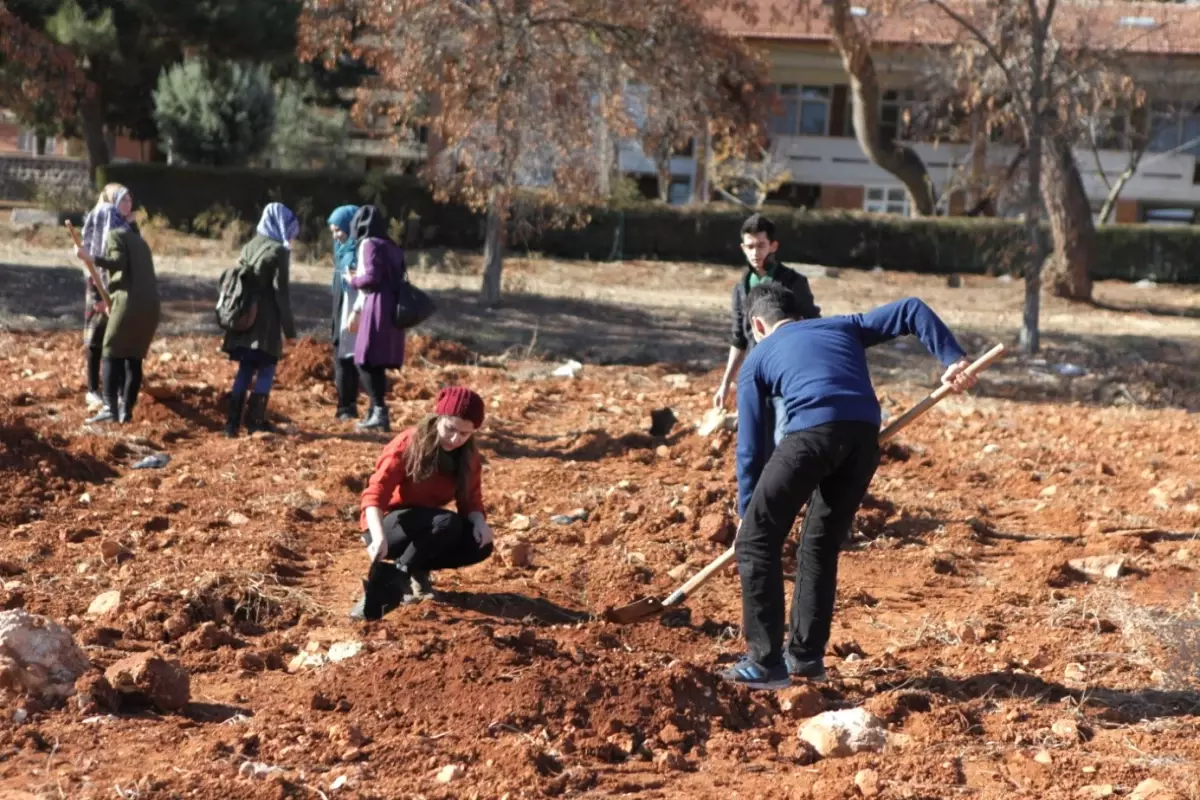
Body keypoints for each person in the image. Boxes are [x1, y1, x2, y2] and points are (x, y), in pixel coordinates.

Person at [722, 283, 976, 690]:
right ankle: (805, 660)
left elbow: (751, 447)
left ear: (757, 325)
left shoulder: (758, 359)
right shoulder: (842, 326)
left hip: (810, 435)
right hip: (862, 438)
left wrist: (746, 512)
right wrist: (951, 358)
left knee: (755, 541)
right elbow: (911, 307)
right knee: (819, 545)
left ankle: (765, 662)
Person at [350, 387, 494, 620]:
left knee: (478, 543)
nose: (456, 439)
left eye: (465, 434)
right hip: (389, 526)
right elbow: (376, 493)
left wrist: (479, 523)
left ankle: (414, 569)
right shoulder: (408, 443)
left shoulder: (467, 456)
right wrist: (377, 536)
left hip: (427, 526)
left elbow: (471, 501)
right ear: (438, 417)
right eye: (450, 429)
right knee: (446, 522)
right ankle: (390, 582)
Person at [73, 203, 160, 425]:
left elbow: (118, 263)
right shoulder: (140, 242)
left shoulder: (115, 236)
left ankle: (110, 408)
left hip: (128, 305)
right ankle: (126, 411)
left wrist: (90, 258)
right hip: (150, 308)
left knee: (110, 352)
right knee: (134, 357)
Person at [222, 203, 298, 437]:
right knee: (266, 368)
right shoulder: (279, 250)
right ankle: (255, 422)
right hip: (266, 320)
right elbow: (281, 292)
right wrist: (290, 330)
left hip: (245, 316)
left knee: (245, 368)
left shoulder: (250, 245)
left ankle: (232, 424)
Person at [344, 205, 407, 432]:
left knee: (364, 359)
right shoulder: (392, 245)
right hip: (393, 305)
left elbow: (370, 277)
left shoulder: (368, 244)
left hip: (377, 304)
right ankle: (374, 411)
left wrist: (352, 280)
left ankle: (379, 411)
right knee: (376, 360)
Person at [80, 183, 135, 411]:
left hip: (120, 289)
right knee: (96, 340)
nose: (127, 204)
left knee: (118, 342)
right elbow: (98, 255)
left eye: (129, 200)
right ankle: (94, 390)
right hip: (100, 286)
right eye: (122, 200)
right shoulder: (105, 215)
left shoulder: (126, 224)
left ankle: (118, 391)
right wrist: (98, 296)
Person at [328, 205, 361, 421]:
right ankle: (346, 405)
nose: (336, 235)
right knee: (344, 358)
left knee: (347, 359)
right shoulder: (343, 251)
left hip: (352, 312)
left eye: (339, 230)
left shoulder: (358, 252)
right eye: (333, 231)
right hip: (340, 310)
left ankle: (346, 407)